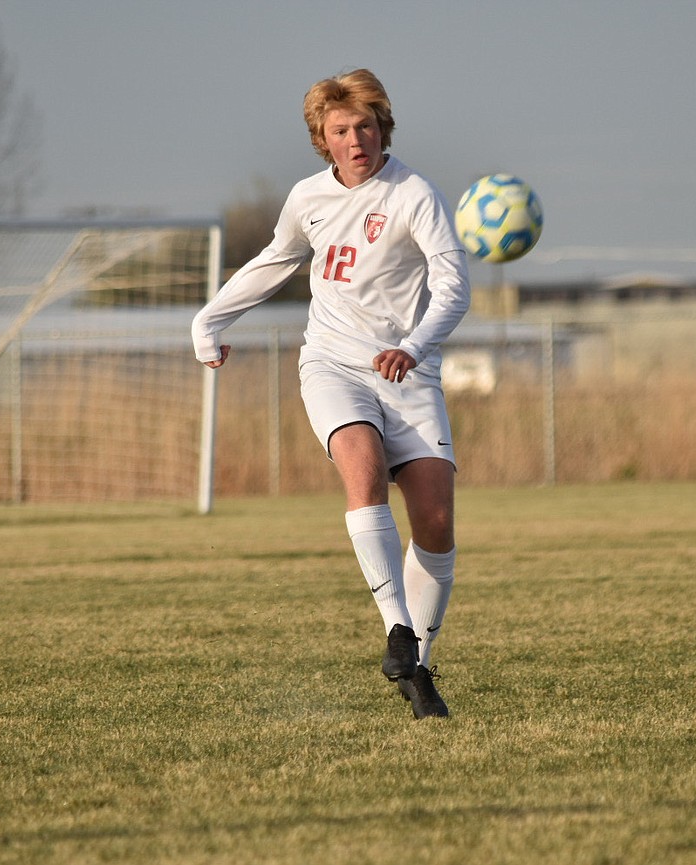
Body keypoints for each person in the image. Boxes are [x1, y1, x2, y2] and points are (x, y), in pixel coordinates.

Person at [191, 69, 471, 717]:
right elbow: (275, 260)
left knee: (434, 519)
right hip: (333, 365)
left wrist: (416, 345)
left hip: (408, 371)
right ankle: (396, 629)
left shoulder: (414, 194)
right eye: (341, 129)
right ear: (322, 136)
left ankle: (418, 668)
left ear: (383, 128)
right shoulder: (308, 198)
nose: (356, 139)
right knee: (363, 468)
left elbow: (454, 286)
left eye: (366, 126)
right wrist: (208, 319)